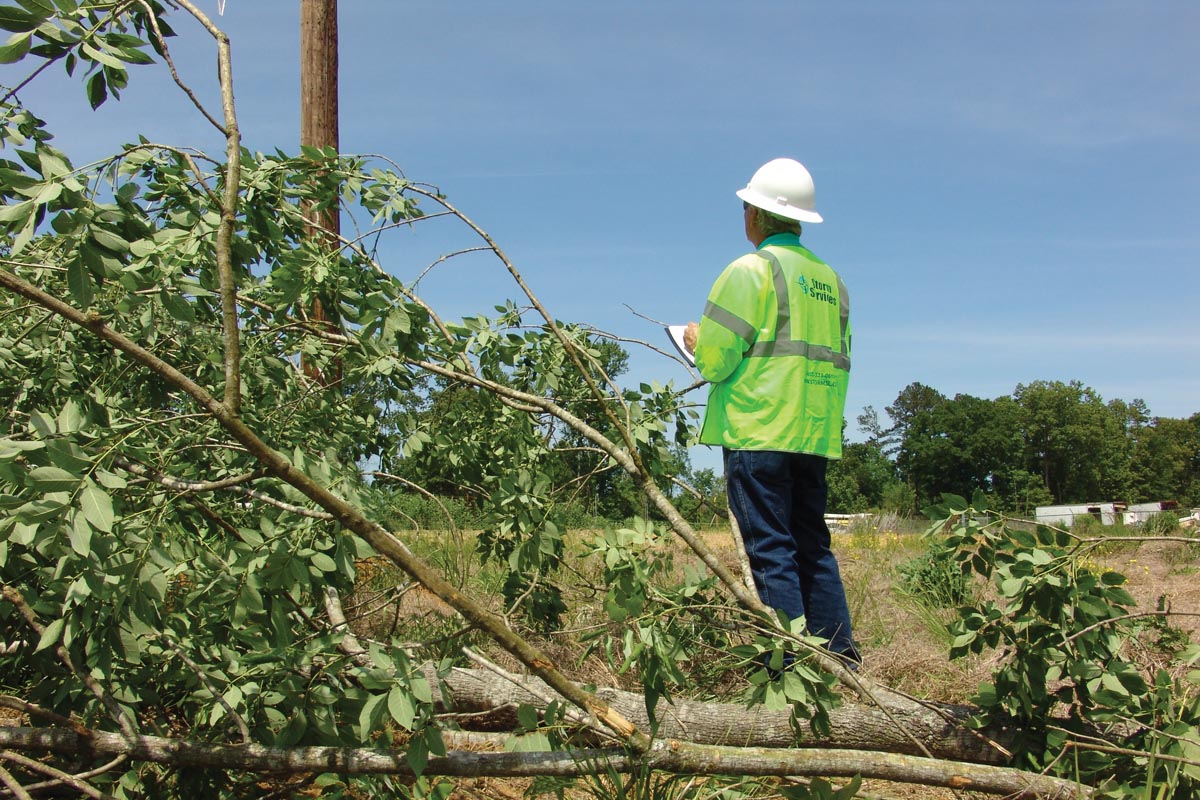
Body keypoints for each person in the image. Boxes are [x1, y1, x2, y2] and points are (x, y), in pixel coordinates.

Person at [683, 157, 859, 664]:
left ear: (754, 215)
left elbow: (717, 362)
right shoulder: (832, 282)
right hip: (813, 433)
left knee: (771, 550)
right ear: (800, 219)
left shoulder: (749, 271)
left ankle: (787, 667)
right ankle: (840, 661)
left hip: (759, 430)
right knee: (813, 548)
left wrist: (697, 342)